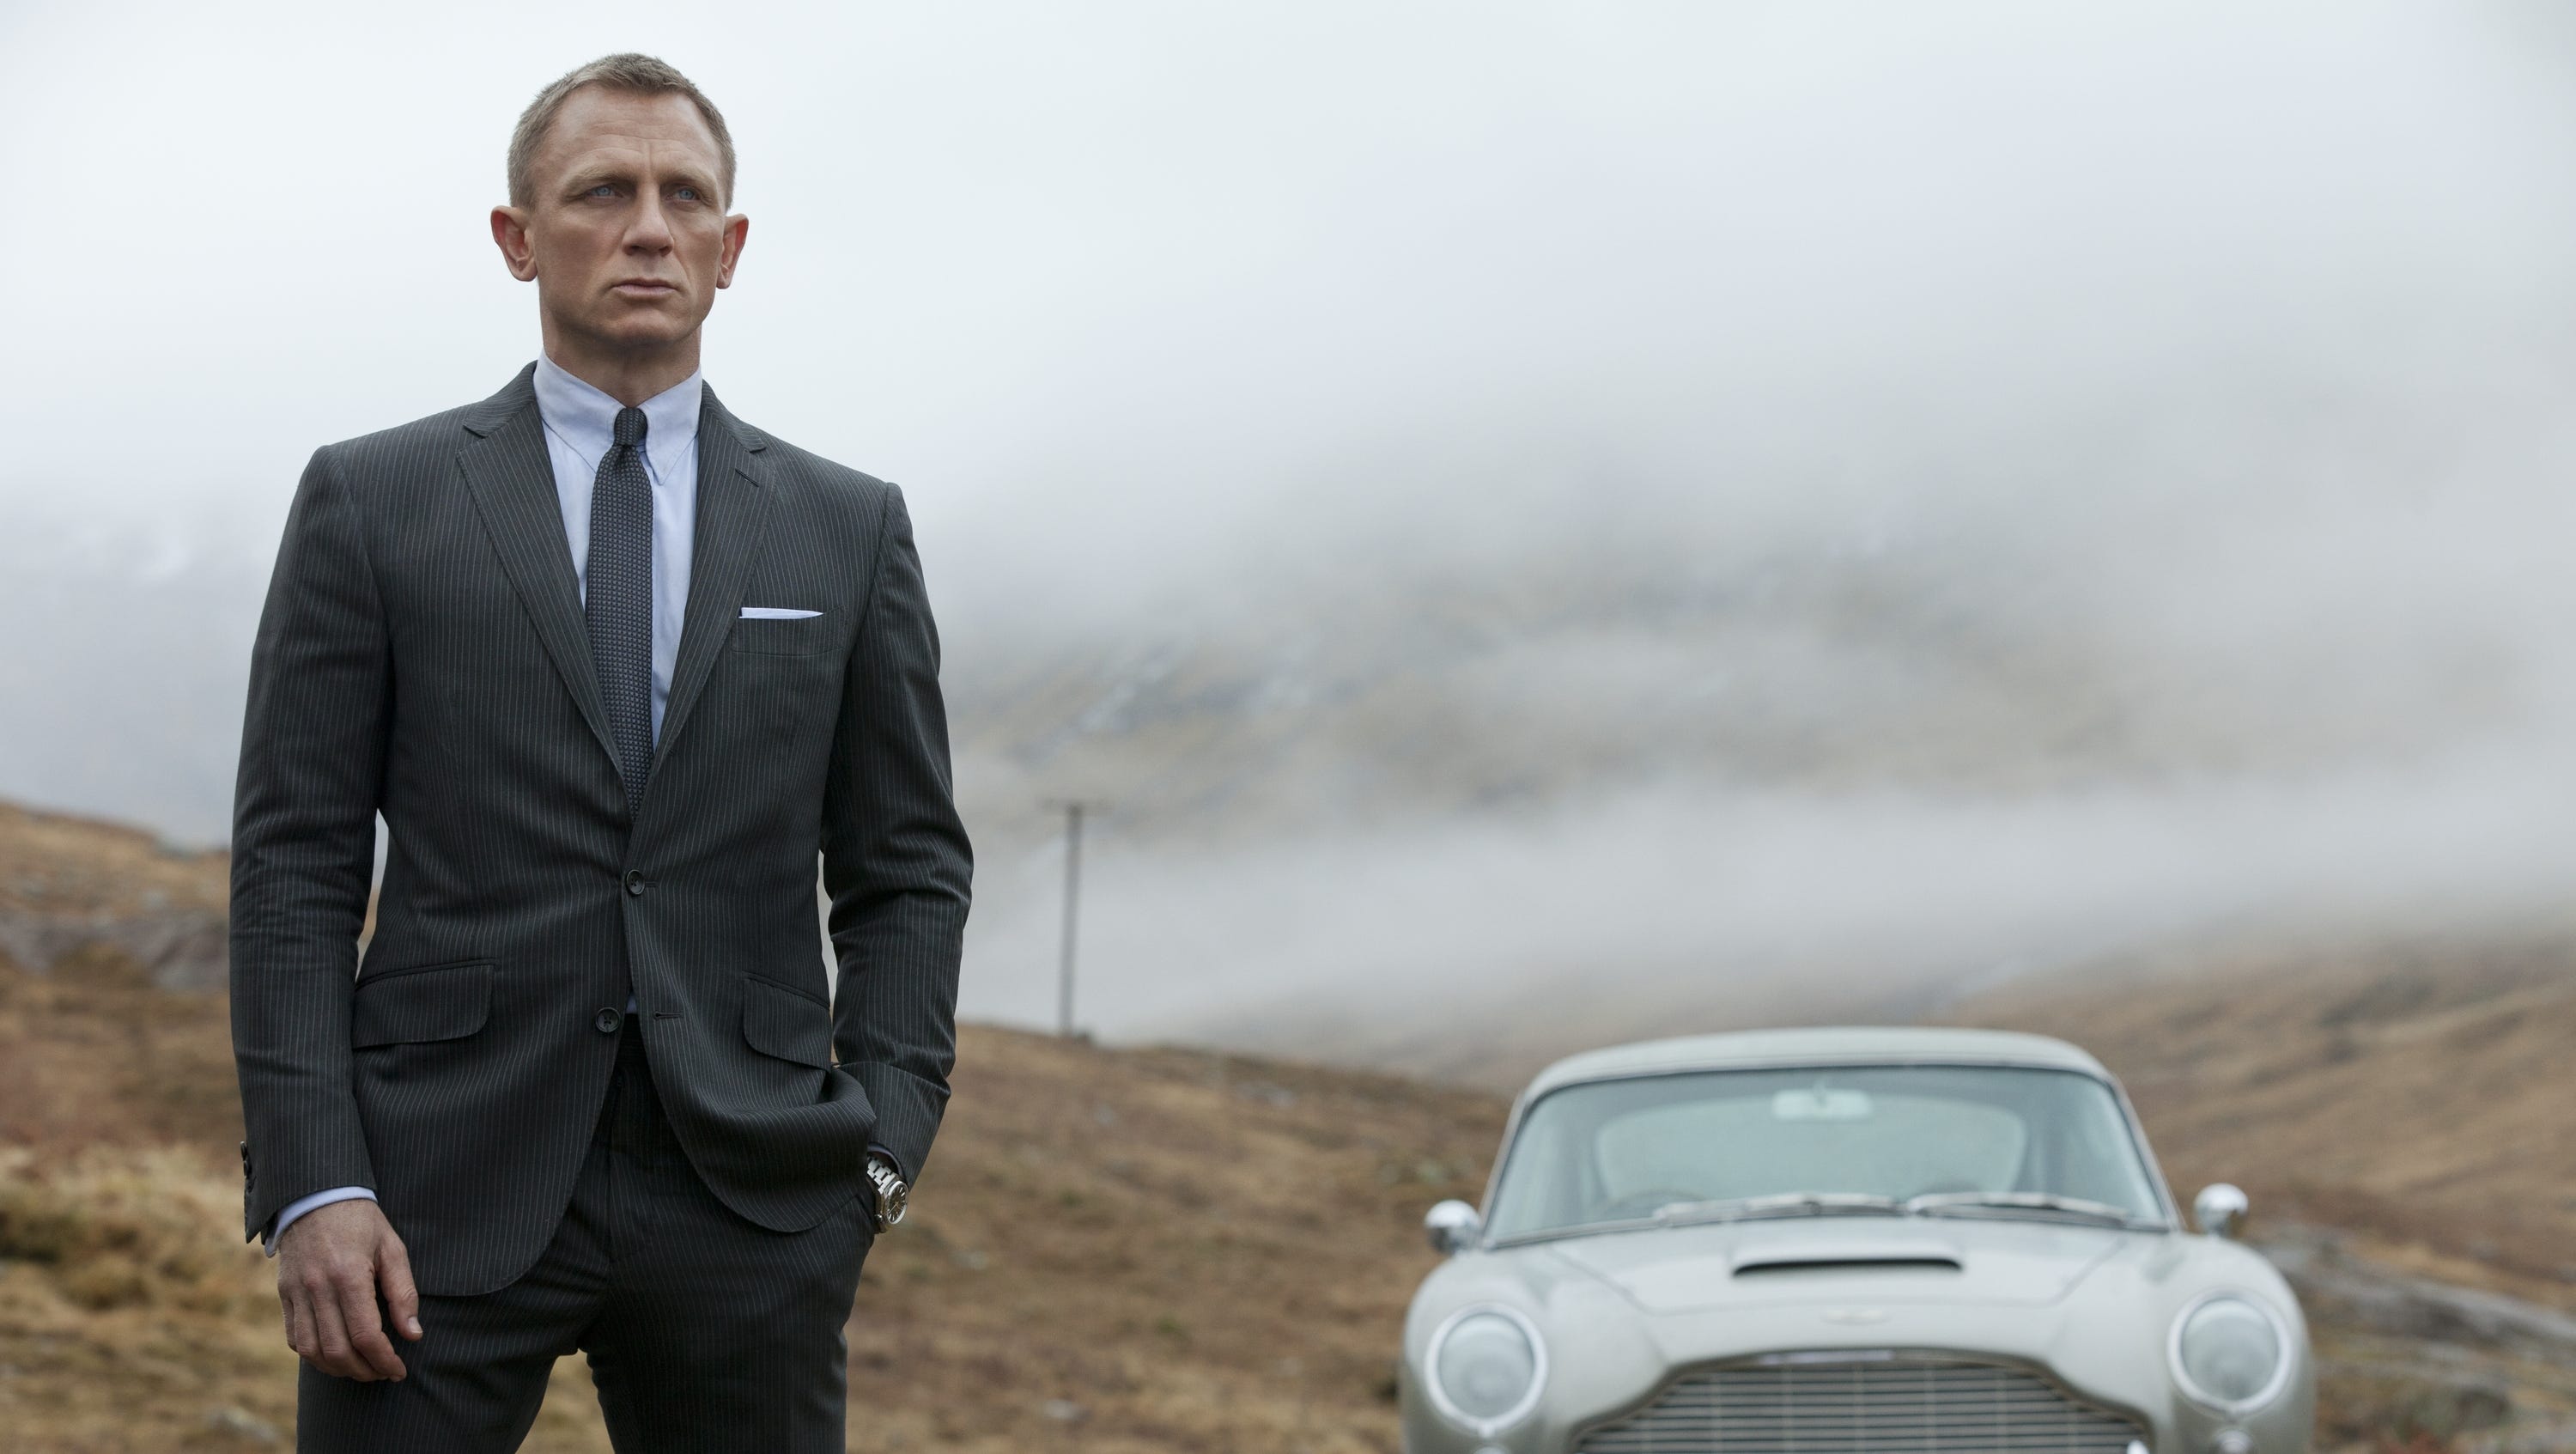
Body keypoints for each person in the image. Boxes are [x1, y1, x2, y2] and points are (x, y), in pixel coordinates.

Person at [228, 52, 973, 1452]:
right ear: (518, 237)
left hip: (750, 1205)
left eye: (685, 195)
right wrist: (317, 1182)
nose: (649, 227)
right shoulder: (373, 500)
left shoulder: (846, 525)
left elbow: (910, 867)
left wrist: (876, 1156)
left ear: (730, 246)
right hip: (427, 1197)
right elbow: (292, 867)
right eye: (603, 191)